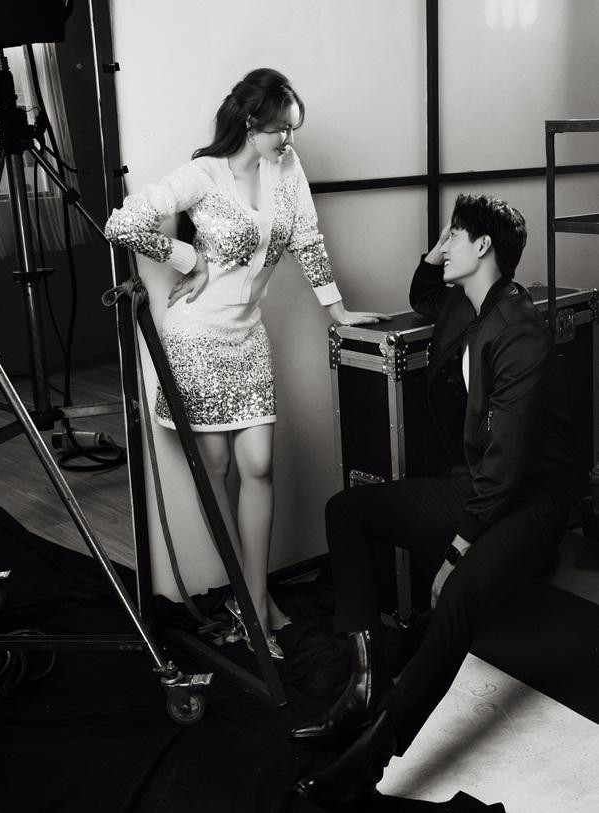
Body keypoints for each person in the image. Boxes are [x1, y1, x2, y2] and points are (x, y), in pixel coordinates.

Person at [291, 193, 574, 807]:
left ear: (483, 246)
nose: (443, 248)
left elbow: (508, 464)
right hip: (479, 485)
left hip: (532, 500)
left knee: (460, 593)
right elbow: (424, 287)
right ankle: (364, 684)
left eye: (454, 236)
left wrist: (456, 551)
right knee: (346, 512)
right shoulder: (460, 303)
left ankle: (370, 759)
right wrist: (439, 246)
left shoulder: (520, 331)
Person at [105, 68, 388, 660]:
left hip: (248, 337)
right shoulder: (203, 174)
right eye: (280, 129)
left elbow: (307, 239)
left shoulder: (288, 168)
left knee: (257, 464)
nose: (289, 139)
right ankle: (255, 606)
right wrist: (188, 259)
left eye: (293, 129)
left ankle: (252, 602)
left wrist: (337, 312)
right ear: (251, 122)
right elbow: (122, 223)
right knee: (215, 469)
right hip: (196, 338)